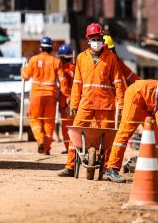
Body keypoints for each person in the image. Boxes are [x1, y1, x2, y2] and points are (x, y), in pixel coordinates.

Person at [58, 24, 126, 177]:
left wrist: (121, 104)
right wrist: (74, 104)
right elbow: (77, 83)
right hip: (86, 103)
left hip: (106, 105)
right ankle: (70, 167)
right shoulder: (81, 58)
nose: (97, 42)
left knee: (107, 138)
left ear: (103, 39)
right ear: (88, 40)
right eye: (93, 39)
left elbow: (118, 83)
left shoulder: (111, 58)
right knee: (75, 133)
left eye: (99, 38)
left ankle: (106, 168)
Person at [22, 36, 65, 155]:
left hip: (36, 95)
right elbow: (62, 81)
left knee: (35, 119)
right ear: (51, 48)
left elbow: (26, 76)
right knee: (49, 122)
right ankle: (47, 148)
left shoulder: (34, 60)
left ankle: (40, 140)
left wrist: (22, 70)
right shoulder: (56, 61)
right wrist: (66, 95)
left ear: (40, 48)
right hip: (51, 95)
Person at [57, 43, 75, 155]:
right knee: (74, 126)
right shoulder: (76, 68)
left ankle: (69, 148)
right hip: (76, 101)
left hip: (65, 102)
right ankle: (75, 147)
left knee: (65, 127)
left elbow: (63, 86)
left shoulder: (62, 69)